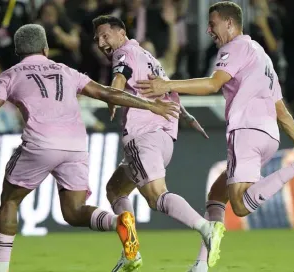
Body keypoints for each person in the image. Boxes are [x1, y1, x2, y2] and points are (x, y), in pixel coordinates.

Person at [0, 24, 181, 272]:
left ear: (17, 51)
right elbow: (106, 93)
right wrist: (150, 105)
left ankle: (0, 268)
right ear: (46, 48)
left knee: (10, 200)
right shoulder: (66, 71)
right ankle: (118, 221)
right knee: (74, 212)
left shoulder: (11, 74)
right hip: (75, 146)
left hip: (41, 144)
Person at [132, 2, 294, 272]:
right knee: (217, 196)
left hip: (247, 131)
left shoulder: (235, 48)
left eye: (213, 24)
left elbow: (212, 84)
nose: (209, 30)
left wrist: (166, 84)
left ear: (229, 23)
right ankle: (200, 265)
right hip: (267, 136)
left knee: (239, 205)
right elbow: (282, 111)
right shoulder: (262, 57)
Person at [92, 15, 223, 272]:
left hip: (143, 136)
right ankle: (131, 252)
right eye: (97, 38)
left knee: (156, 197)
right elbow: (166, 90)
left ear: (121, 33)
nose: (101, 42)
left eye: (105, 35)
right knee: (115, 189)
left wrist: (112, 95)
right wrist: (186, 116)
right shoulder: (148, 56)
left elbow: (120, 78)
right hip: (162, 137)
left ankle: (207, 229)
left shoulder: (123, 54)